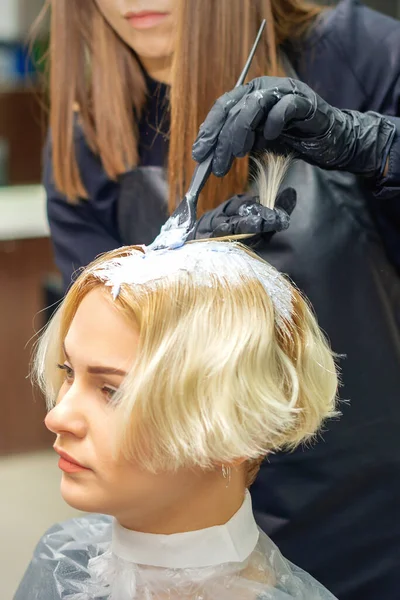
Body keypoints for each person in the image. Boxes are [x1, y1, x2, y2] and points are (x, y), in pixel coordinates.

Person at [38, 1, 400, 598]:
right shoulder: (87, 132)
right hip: (185, 534)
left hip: (375, 518)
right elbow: (85, 366)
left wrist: (377, 149)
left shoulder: (354, 53)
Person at [14, 160, 339, 599]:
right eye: (69, 373)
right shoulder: (63, 562)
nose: (58, 417)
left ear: (236, 426)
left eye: (112, 391)